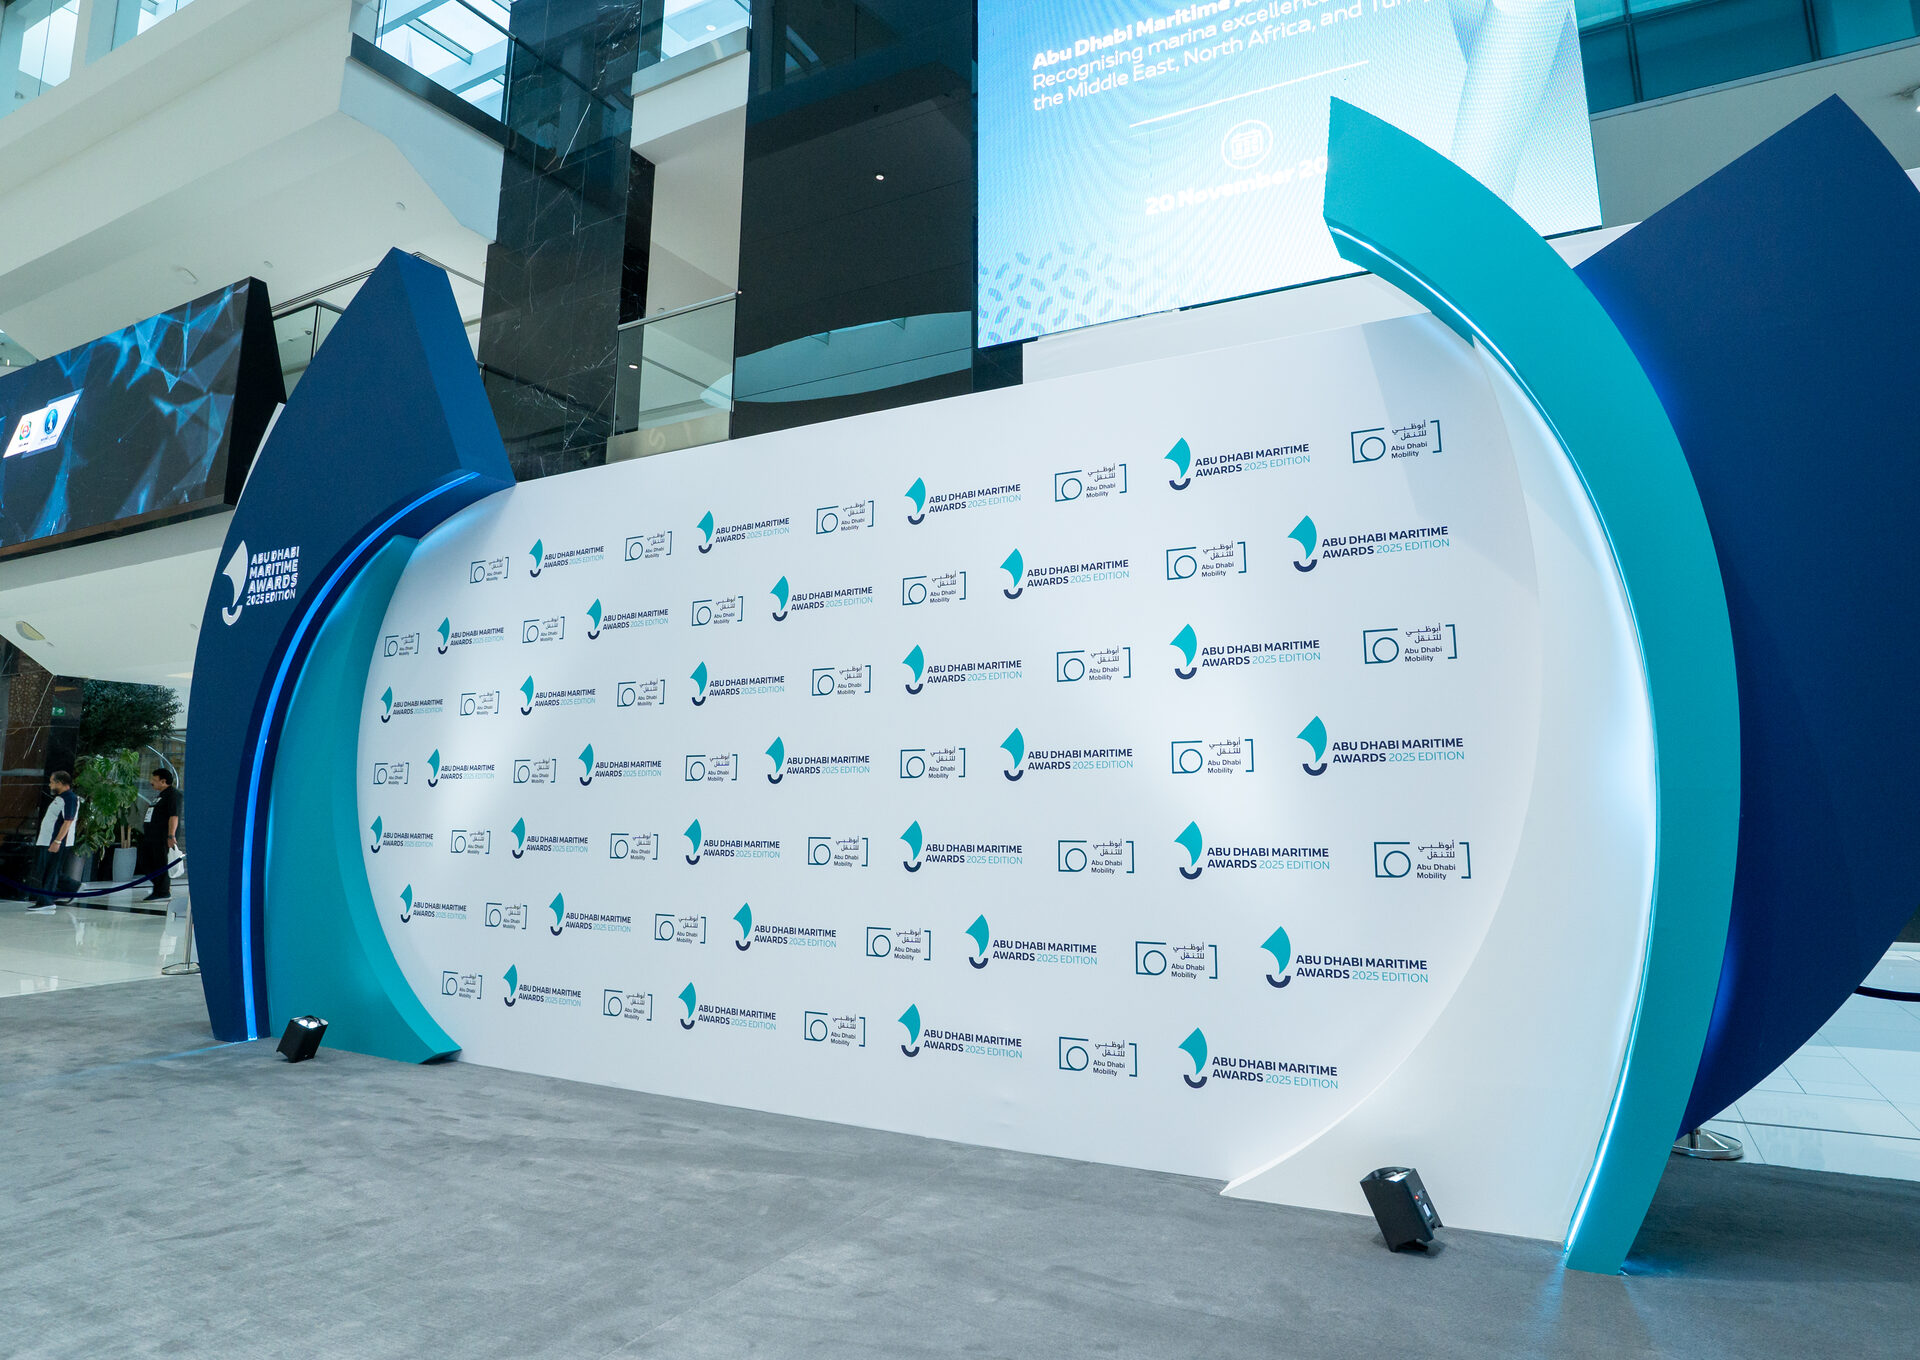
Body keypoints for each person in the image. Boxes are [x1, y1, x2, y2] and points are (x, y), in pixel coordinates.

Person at [27, 771, 78, 912]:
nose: (50, 785)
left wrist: (57, 841)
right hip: (47, 841)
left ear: (60, 783)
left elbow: (68, 821)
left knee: (50, 871)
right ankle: (72, 888)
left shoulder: (70, 798)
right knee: (49, 870)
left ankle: (46, 901)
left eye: (52, 782)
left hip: (55, 842)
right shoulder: (60, 798)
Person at [137, 769, 180, 902]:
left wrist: (171, 835)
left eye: (154, 780)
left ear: (163, 781)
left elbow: (174, 815)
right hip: (151, 836)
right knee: (146, 862)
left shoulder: (173, 794)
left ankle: (162, 891)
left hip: (162, 836)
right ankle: (161, 887)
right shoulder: (160, 795)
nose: (151, 782)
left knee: (160, 863)